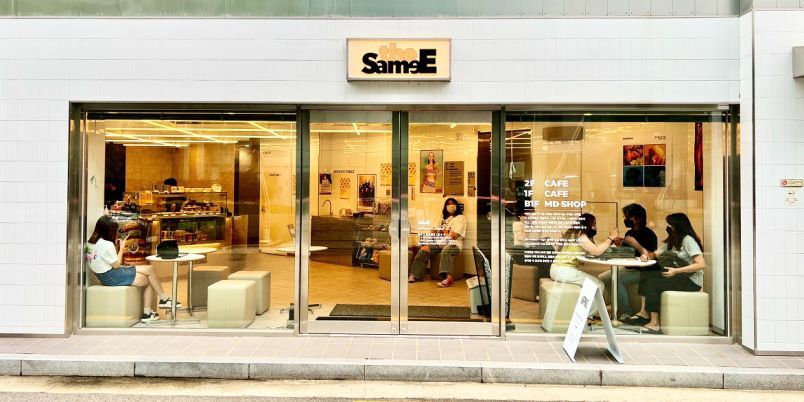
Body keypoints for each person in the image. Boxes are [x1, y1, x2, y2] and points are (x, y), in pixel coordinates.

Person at [85, 215, 181, 323]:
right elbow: (116, 264)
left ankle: (163, 300)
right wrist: (122, 248)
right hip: (113, 276)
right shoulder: (107, 244)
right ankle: (150, 311)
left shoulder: (90, 243)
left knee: (150, 269)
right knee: (149, 278)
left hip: (105, 276)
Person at [630, 213, 706, 334]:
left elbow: (701, 264)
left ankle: (654, 323)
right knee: (646, 273)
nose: (668, 227)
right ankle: (644, 312)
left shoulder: (688, 240)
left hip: (690, 281)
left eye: (670, 225)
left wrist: (676, 271)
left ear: (677, 226)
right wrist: (647, 256)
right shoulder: (672, 240)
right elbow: (657, 253)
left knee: (653, 284)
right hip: (677, 275)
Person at [598, 203, 658, 320]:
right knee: (602, 278)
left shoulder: (649, 234)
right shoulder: (629, 233)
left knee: (618, 280)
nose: (624, 219)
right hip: (629, 267)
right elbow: (627, 253)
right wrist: (619, 245)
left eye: (626, 216)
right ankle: (615, 304)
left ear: (637, 218)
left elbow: (651, 256)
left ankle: (626, 312)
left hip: (643, 271)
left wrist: (636, 245)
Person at [550, 213, 618, 315]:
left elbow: (594, 249)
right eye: (594, 224)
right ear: (588, 225)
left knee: (593, 284)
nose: (596, 227)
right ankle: (587, 316)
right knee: (598, 285)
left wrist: (610, 243)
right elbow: (597, 251)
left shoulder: (572, 233)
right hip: (564, 271)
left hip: (557, 269)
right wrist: (611, 237)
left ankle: (585, 313)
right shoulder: (581, 236)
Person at [409, 198, 466, 288]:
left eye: (453, 204)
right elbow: (434, 230)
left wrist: (444, 236)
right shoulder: (442, 218)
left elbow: (454, 235)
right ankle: (415, 275)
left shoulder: (460, 218)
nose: (451, 206)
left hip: (454, 244)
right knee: (424, 249)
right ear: (445, 207)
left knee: (446, 249)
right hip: (439, 243)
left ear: (456, 206)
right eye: (448, 204)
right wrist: (430, 239)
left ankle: (448, 278)